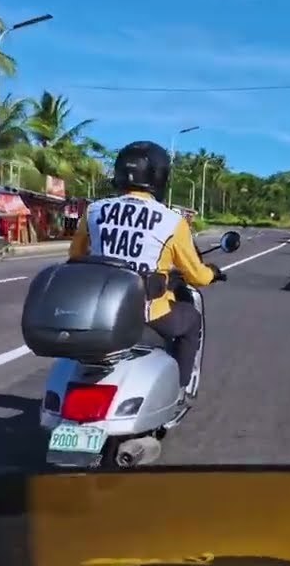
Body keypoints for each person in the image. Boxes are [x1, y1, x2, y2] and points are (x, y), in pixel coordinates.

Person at [68, 140, 225, 399]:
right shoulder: (172, 221)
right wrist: (213, 273)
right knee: (191, 320)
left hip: (98, 308)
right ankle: (180, 389)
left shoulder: (94, 211)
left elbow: (76, 256)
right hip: (147, 312)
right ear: (159, 177)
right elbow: (196, 275)